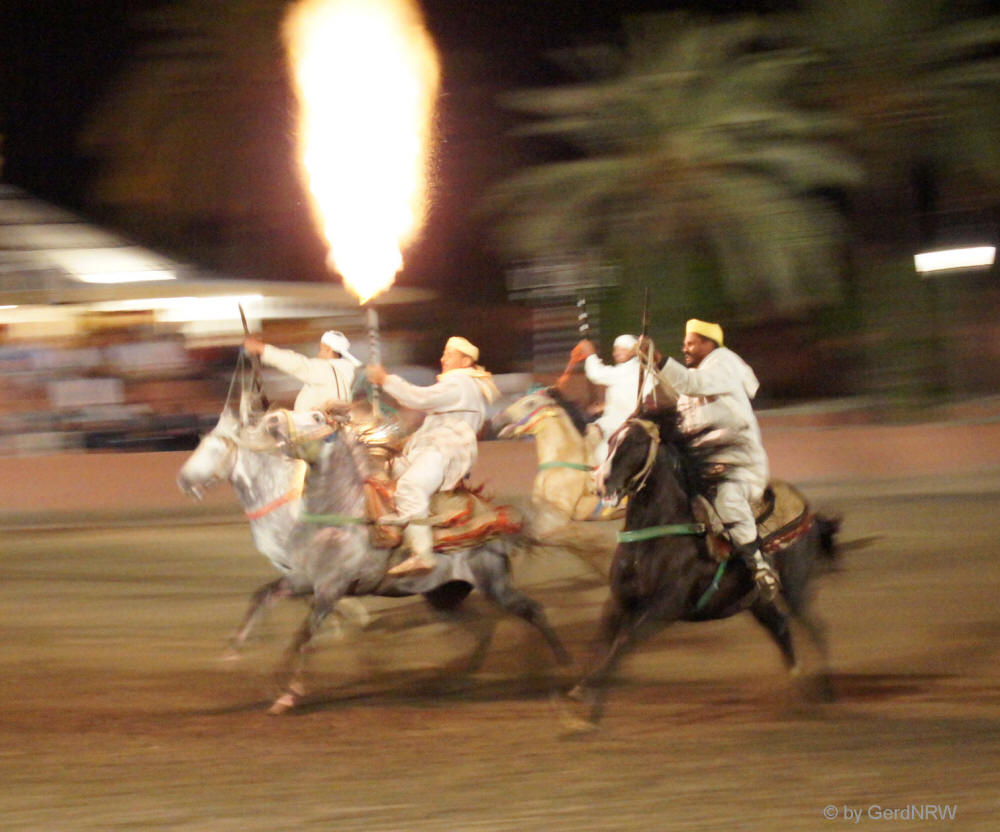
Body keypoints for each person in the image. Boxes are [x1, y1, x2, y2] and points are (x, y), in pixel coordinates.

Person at [648, 318, 780, 600]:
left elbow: (690, 383)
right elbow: (676, 400)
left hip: (738, 463)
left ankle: (759, 567)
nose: (685, 347)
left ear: (709, 344)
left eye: (691, 342)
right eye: (684, 343)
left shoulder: (723, 363)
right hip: (704, 463)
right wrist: (650, 369)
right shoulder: (700, 374)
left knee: (727, 498)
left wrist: (659, 359)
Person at [367, 336, 500, 576]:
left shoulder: (460, 383)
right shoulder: (457, 385)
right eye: (444, 353)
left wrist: (386, 379)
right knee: (380, 472)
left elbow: (419, 398)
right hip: (431, 448)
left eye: (448, 354)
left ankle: (422, 553)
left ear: (466, 360)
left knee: (410, 487)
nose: (442, 358)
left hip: (444, 450)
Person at [572, 333, 653, 464]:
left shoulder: (629, 369)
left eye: (622, 349)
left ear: (634, 351)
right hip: (621, 421)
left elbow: (596, 374)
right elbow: (626, 395)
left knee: (596, 451)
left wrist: (590, 353)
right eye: (615, 349)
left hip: (623, 425)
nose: (616, 353)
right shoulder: (634, 370)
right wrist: (604, 406)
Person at [243, 330, 360, 412]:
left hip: (316, 438)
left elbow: (296, 363)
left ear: (328, 350)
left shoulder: (327, 370)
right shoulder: (343, 372)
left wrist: (261, 348)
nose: (318, 354)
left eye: (320, 349)